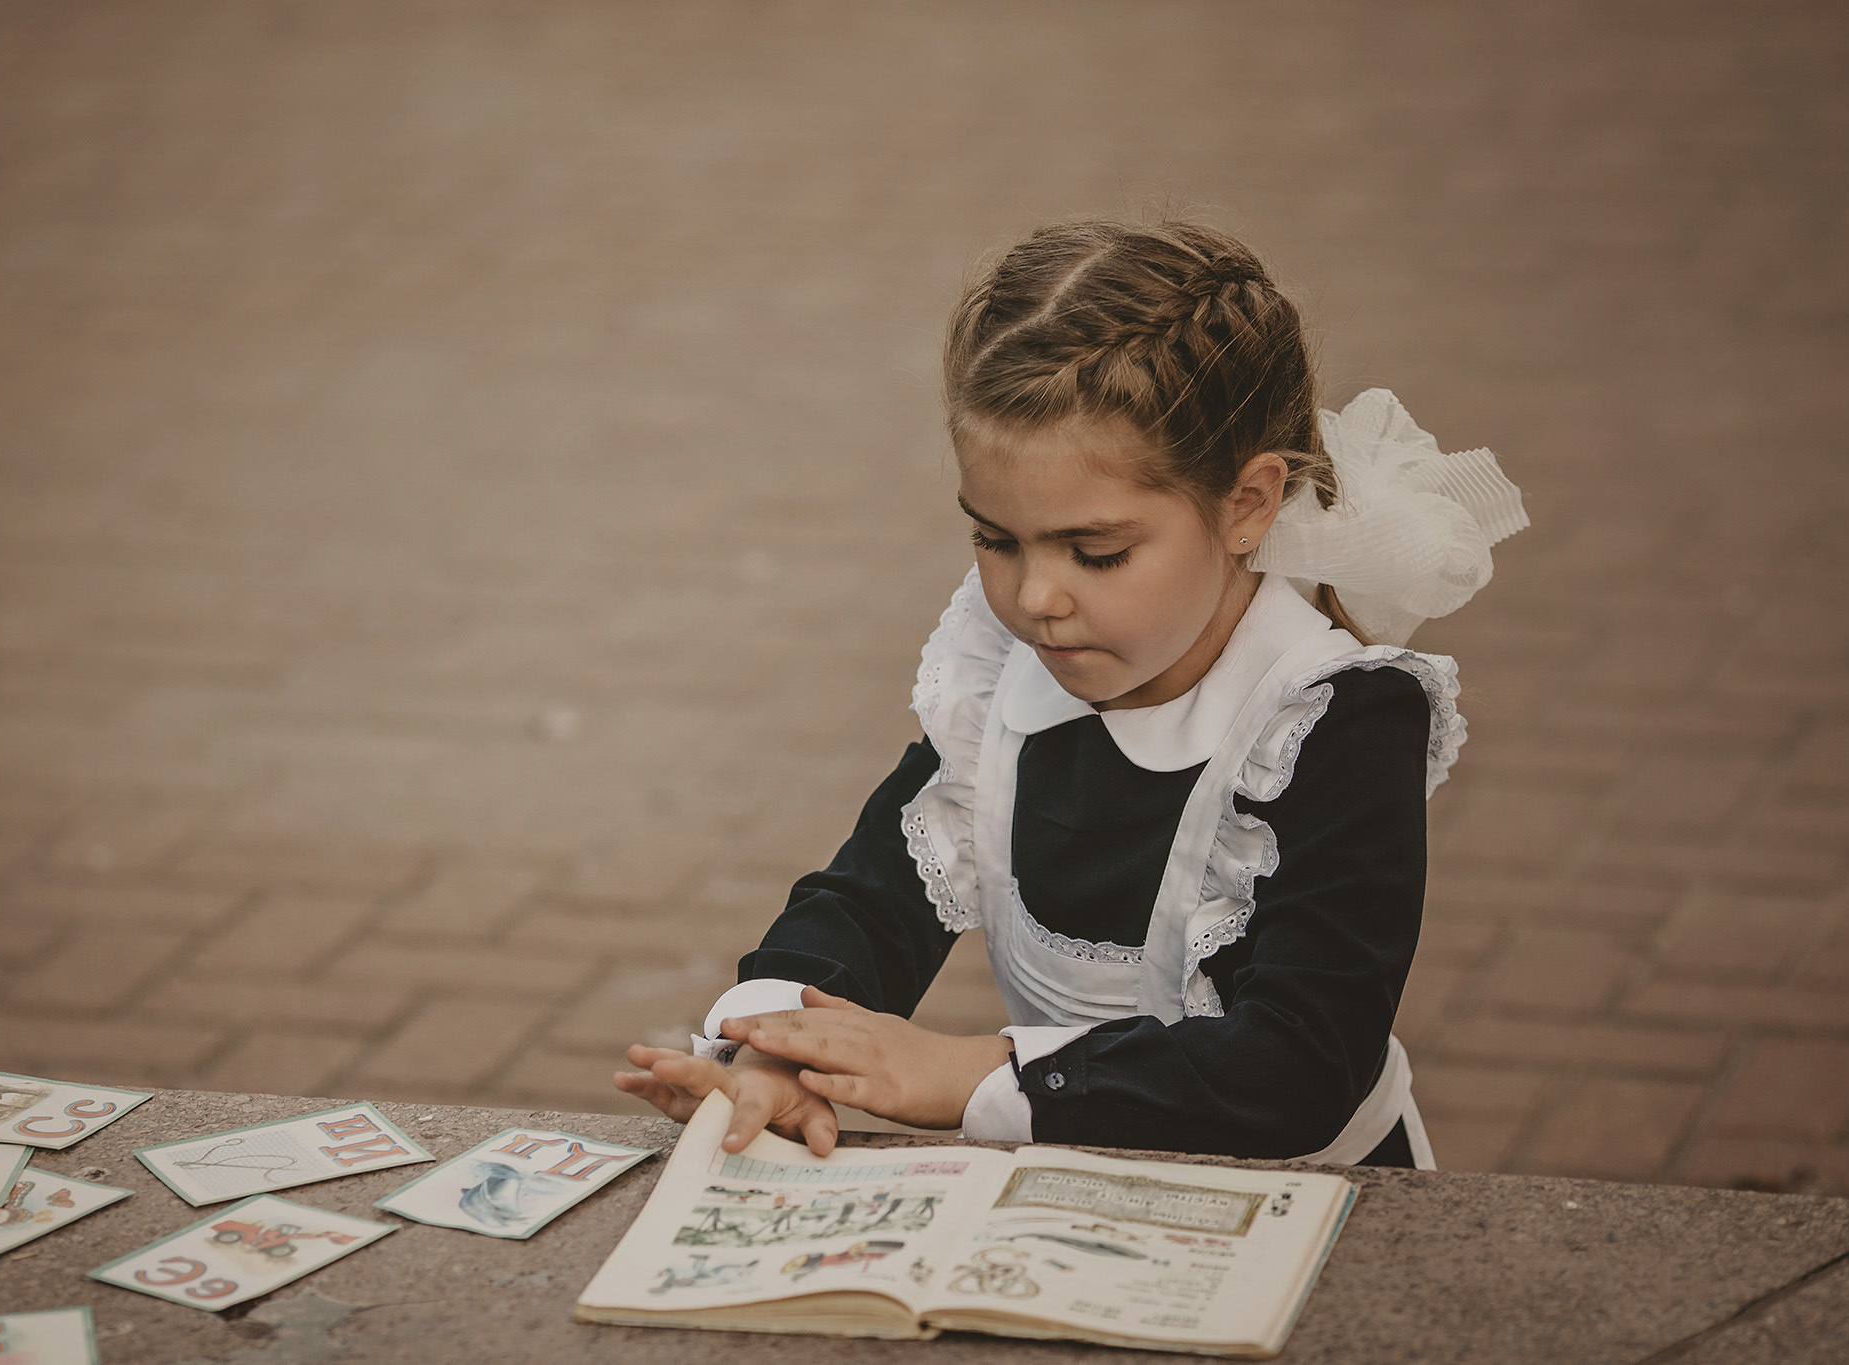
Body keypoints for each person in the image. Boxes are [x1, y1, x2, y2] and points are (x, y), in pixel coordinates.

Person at [614, 218, 1527, 1168]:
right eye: (996, 539)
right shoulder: (999, 676)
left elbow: (1299, 1063)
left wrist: (971, 1074)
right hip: (1075, 1186)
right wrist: (778, 1050)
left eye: (1097, 553)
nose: (1035, 600)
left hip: (1315, 1201)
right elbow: (872, 896)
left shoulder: (1336, 720)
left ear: (1247, 505)